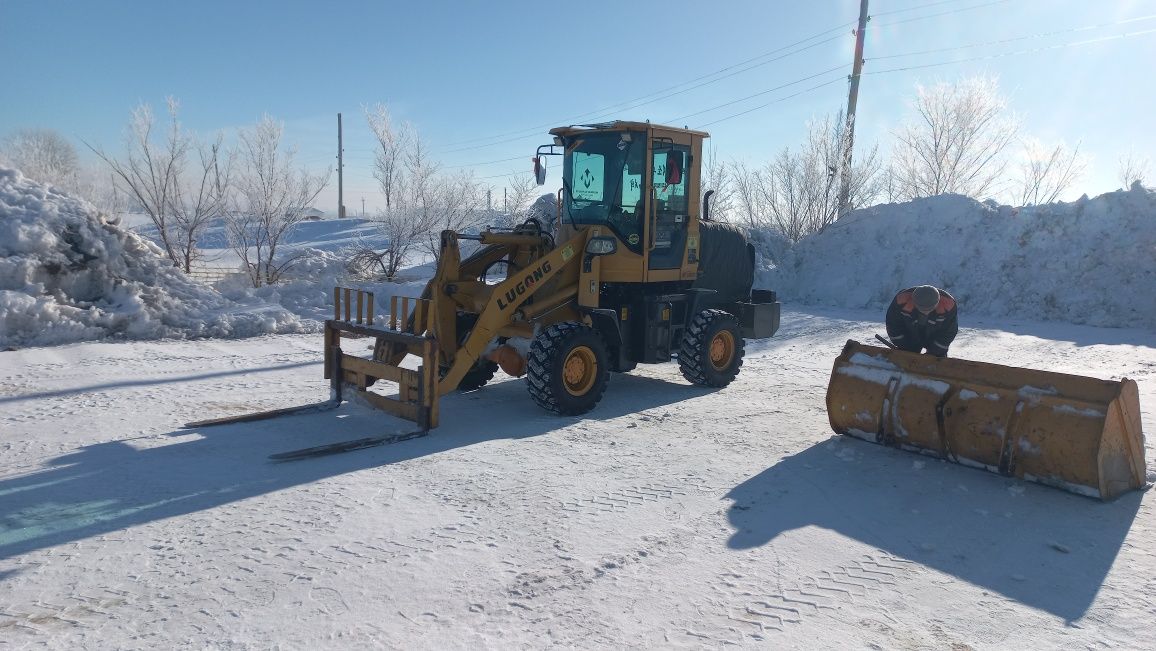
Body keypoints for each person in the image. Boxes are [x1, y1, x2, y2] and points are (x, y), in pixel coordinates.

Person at [885, 285, 958, 357]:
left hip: (935, 336)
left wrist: (935, 353)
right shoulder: (901, 301)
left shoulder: (948, 305)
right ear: (914, 301)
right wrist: (905, 347)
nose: (925, 312)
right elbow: (893, 325)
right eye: (921, 308)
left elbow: (948, 333)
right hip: (909, 335)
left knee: (936, 361)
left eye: (929, 308)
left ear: (937, 302)